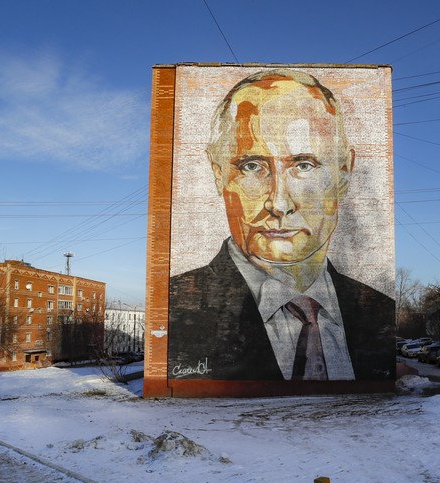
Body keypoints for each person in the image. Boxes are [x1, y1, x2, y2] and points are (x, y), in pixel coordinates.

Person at [168, 69, 395, 382]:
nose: (278, 203)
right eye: (252, 166)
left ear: (344, 171)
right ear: (218, 173)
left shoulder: (378, 310)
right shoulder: (175, 309)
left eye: (304, 165)